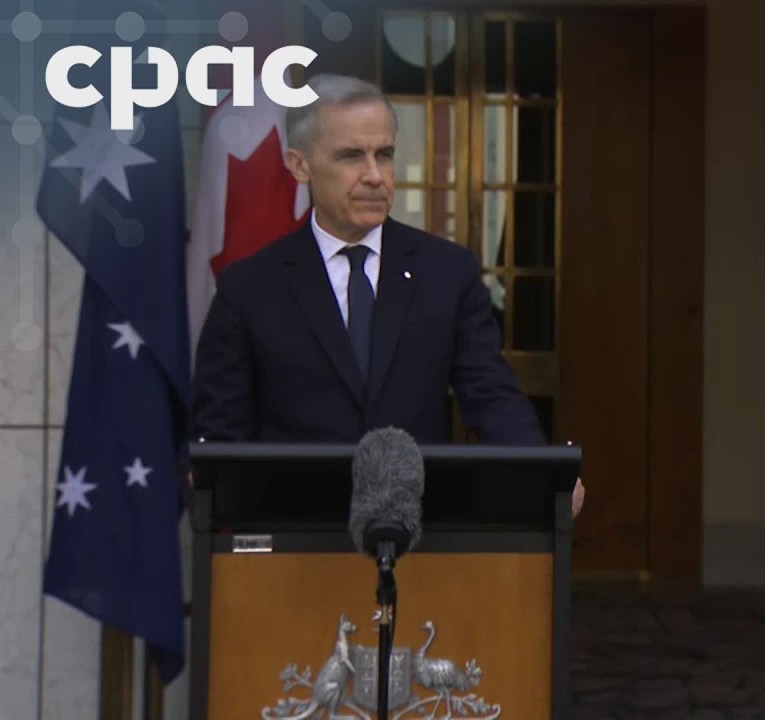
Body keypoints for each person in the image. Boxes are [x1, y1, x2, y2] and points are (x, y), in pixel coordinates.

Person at [191, 74, 584, 517]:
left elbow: (491, 396)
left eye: (385, 155)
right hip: (295, 540)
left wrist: (539, 473)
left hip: (418, 533)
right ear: (299, 165)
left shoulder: (447, 272)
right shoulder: (249, 287)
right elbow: (221, 434)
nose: (374, 176)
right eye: (351, 156)